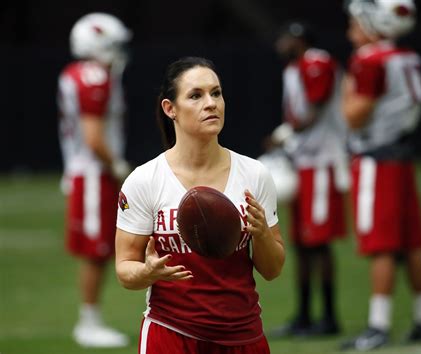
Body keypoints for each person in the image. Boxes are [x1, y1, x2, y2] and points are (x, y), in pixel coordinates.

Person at [115, 56, 285, 354]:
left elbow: (272, 270)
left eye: (216, 93)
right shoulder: (144, 180)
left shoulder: (254, 174)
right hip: (171, 333)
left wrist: (261, 235)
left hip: (243, 335)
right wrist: (147, 273)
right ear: (170, 109)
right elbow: (125, 269)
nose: (211, 103)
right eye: (196, 95)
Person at [339, 0, 421, 350]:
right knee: (411, 243)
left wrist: (347, 85)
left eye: (355, 23)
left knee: (381, 245)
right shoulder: (407, 56)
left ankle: (378, 326)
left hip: (376, 161)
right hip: (402, 155)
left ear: (371, 22)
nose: (351, 31)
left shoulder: (369, 60)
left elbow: (353, 117)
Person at [266, 21, 349, 338]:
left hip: (322, 162)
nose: (280, 43)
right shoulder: (293, 68)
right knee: (301, 243)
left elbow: (315, 107)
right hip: (302, 162)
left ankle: (328, 317)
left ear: (298, 40)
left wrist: (285, 134)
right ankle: (303, 315)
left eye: (285, 38)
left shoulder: (316, 61)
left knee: (319, 242)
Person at [57, 13, 132, 348]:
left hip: (84, 171)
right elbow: (93, 136)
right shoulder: (94, 76)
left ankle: (91, 320)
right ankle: (88, 323)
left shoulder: (78, 73)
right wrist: (117, 166)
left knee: (104, 247)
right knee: (96, 250)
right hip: (92, 173)